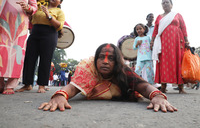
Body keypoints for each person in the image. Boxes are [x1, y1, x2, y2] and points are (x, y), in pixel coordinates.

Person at [38, 43, 177, 112]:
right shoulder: (89, 67)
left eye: (111, 58)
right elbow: (73, 88)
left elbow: (143, 86)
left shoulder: (122, 70)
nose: (105, 61)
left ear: (117, 62)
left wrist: (157, 96)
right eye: (101, 57)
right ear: (95, 59)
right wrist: (60, 96)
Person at [16, 0, 65, 93]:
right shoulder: (40, 6)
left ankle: (42, 85)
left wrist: (49, 15)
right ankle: (27, 84)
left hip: (49, 34)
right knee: (30, 58)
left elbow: (59, 25)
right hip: (35, 32)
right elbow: (32, 18)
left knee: (45, 59)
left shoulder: (59, 12)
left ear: (60, 2)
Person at [0, 0, 37, 94]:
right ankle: (0, 83)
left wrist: (28, 8)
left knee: (17, 53)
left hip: (19, 26)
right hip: (3, 23)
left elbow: (34, 8)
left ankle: (10, 85)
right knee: (1, 51)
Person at [150, 0, 189, 94]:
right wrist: (152, 42)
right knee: (163, 62)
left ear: (172, 5)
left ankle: (181, 88)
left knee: (178, 61)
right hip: (163, 43)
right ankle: (163, 87)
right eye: (163, 3)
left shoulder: (177, 15)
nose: (165, 4)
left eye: (167, 2)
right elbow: (155, 30)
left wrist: (187, 41)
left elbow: (183, 27)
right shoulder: (159, 17)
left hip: (177, 42)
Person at [142, 13, 155, 82]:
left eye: (152, 17)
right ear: (146, 18)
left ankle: (153, 82)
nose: (151, 18)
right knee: (145, 64)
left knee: (153, 64)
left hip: (153, 47)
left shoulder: (155, 27)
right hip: (144, 48)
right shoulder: (143, 27)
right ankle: (145, 80)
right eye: (150, 17)